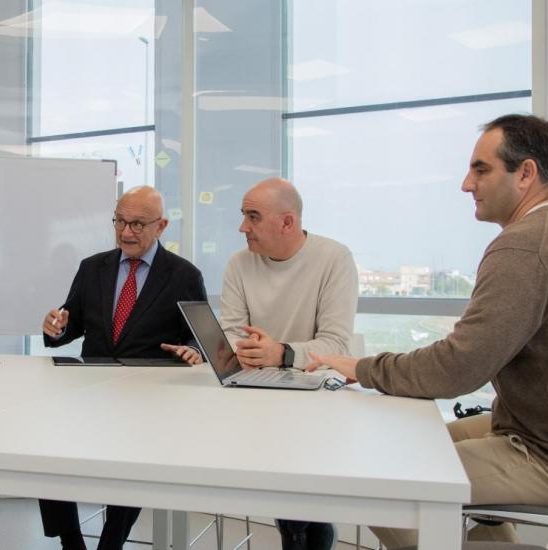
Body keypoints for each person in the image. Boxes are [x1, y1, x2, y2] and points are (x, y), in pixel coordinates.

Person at [306, 114, 548, 547]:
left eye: (481, 169)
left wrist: (363, 368)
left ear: (526, 173)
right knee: (406, 439)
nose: (466, 184)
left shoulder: (528, 243)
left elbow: (457, 369)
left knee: (374, 479)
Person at [39, 185, 208, 550]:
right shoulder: (91, 268)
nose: (125, 232)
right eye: (119, 221)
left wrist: (193, 351)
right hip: (90, 390)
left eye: (137, 224)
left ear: (161, 226)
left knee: (132, 465)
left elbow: (200, 339)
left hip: (148, 400)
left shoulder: (184, 275)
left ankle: (111, 542)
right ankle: (71, 541)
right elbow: (72, 322)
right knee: (49, 451)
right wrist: (55, 327)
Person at [219, 177, 358, 550]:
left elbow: (336, 344)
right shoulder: (239, 263)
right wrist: (249, 351)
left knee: (298, 480)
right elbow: (230, 333)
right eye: (243, 216)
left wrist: (280, 352)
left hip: (315, 400)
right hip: (255, 392)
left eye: (252, 217)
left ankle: (301, 532)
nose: (242, 227)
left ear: (287, 222)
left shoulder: (334, 258)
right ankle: (299, 531)